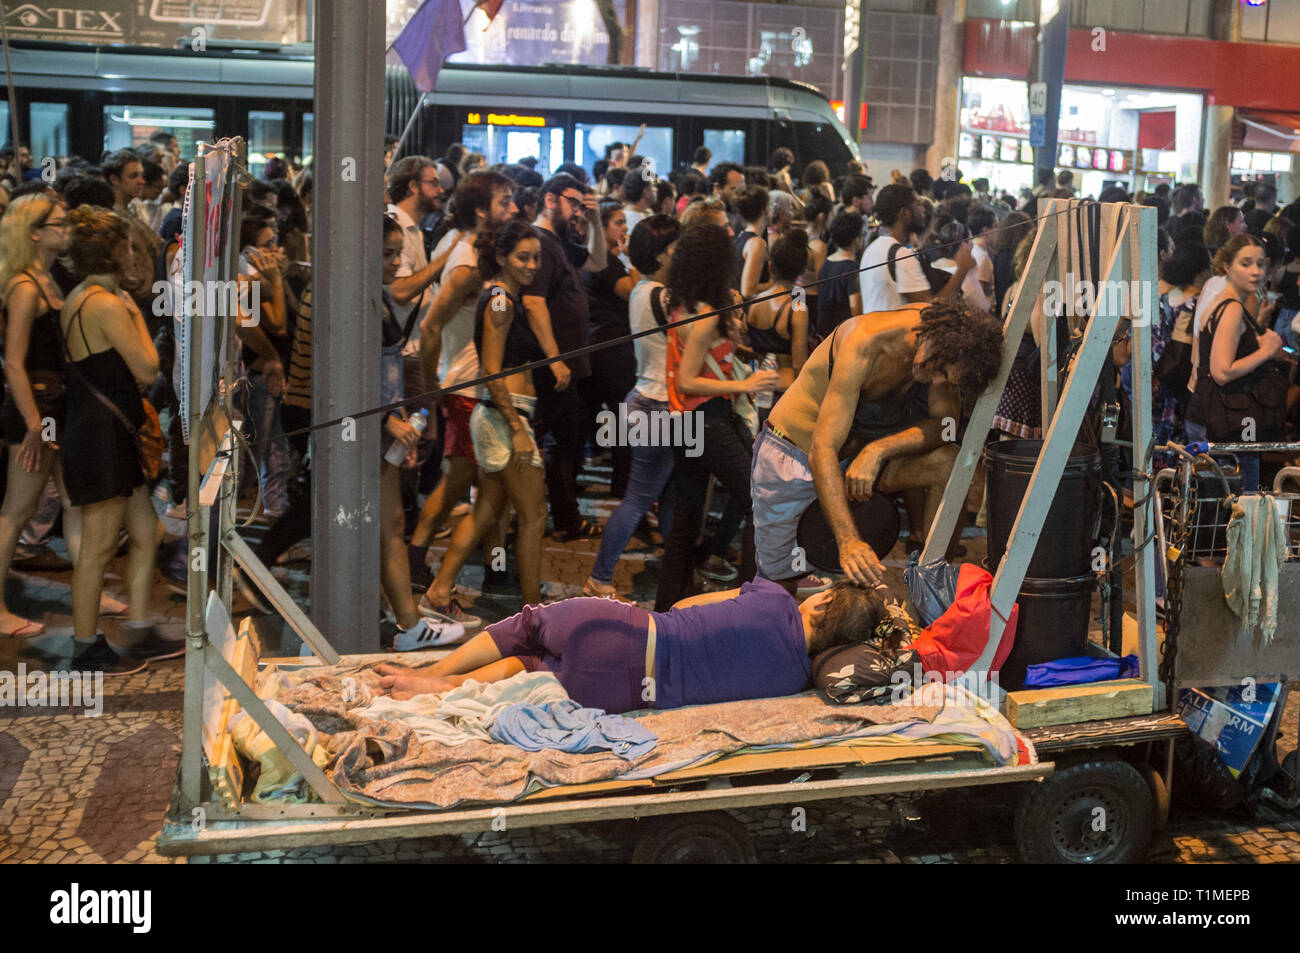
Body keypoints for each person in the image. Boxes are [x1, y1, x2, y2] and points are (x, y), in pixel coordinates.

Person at [751, 300, 1003, 593]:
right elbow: (823, 449)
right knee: (779, 585)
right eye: (942, 372)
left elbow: (945, 429)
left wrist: (877, 450)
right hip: (795, 456)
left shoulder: (948, 341)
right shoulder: (864, 343)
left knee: (948, 462)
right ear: (937, 341)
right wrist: (848, 542)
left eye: (947, 380)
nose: (937, 382)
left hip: (855, 461)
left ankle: (930, 588)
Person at [377, 578, 886, 714]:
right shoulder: (794, 679)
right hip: (620, 691)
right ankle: (443, 688)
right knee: (531, 664)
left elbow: (686, 607)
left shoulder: (775, 598)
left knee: (527, 628)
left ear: (822, 606)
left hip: (623, 632)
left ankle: (434, 672)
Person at [416, 222, 550, 628]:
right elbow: (491, 370)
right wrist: (517, 427)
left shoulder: (502, 296)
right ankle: (532, 613)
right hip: (502, 418)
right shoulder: (500, 300)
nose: (530, 265)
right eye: (522, 257)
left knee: (485, 511)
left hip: (498, 417)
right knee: (534, 515)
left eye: (536, 258)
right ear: (504, 258)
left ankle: (438, 593)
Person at [58, 207, 167, 672]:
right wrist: (133, 307)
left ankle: (140, 630)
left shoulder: (83, 295)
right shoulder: (105, 303)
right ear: (114, 250)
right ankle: (85, 646)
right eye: (129, 244)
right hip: (102, 437)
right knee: (99, 548)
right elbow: (147, 368)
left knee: (147, 531)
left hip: (104, 432)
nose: (134, 252)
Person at [654, 225, 779, 611]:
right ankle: (752, 606)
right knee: (759, 502)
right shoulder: (706, 313)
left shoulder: (682, 304)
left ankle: (667, 608)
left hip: (684, 421)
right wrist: (747, 384)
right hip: (706, 419)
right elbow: (690, 378)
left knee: (686, 520)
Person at [407, 171, 517, 603]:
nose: (512, 208)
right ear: (480, 210)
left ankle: (489, 570)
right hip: (467, 389)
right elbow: (431, 325)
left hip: (467, 387)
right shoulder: (469, 263)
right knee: (483, 492)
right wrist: (433, 390)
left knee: (469, 487)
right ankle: (445, 576)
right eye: (504, 201)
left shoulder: (467, 246)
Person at [584, 215, 681, 599]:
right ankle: (600, 578)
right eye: (677, 248)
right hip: (660, 406)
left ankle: (677, 571)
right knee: (640, 498)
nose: (682, 254)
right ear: (661, 255)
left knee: (673, 494)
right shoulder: (662, 295)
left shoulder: (642, 288)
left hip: (647, 401)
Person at [0, 197, 81, 636]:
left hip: (55, 402)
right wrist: (33, 422)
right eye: (58, 223)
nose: (66, 229)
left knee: (75, 502)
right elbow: (13, 362)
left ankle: (86, 592)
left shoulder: (46, 278)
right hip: (38, 405)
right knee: (19, 509)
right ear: (34, 231)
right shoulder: (26, 286)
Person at [522, 173, 607, 542]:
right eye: (574, 202)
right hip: (550, 367)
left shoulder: (561, 240)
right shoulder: (539, 241)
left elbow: (598, 263)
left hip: (567, 366)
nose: (578, 210)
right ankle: (522, 515)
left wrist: (595, 221)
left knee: (567, 442)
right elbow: (533, 302)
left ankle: (564, 519)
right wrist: (555, 359)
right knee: (539, 439)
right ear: (551, 199)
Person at [1187, 234, 1290, 492]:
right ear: (1227, 267)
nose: (1255, 271)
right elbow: (1221, 372)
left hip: (1217, 416)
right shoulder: (1232, 308)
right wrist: (1266, 351)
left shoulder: (1224, 299)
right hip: (1227, 420)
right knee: (1242, 504)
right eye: (1245, 264)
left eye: (1260, 264)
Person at [580, 201, 638, 500]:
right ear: (602, 228)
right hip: (612, 350)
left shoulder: (592, 258)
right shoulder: (609, 264)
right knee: (622, 422)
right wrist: (633, 259)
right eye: (618, 223)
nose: (625, 228)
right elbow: (634, 292)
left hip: (591, 346)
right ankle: (623, 489)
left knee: (589, 416)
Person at [859, 183, 973, 314]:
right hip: (892, 334)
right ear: (904, 213)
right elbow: (930, 309)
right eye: (918, 204)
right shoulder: (901, 255)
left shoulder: (872, 247)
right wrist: (962, 270)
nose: (923, 210)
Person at [816, 210, 864, 339]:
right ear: (856, 240)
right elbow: (856, 312)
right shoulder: (852, 269)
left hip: (824, 334)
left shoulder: (827, 262)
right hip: (842, 336)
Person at [929, 222, 989, 312]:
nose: (973, 245)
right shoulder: (965, 273)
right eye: (970, 240)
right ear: (963, 244)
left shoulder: (932, 266)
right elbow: (983, 307)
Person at [733, 185, 770, 299]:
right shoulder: (756, 243)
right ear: (766, 208)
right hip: (748, 311)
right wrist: (777, 283)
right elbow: (748, 291)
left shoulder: (741, 236)